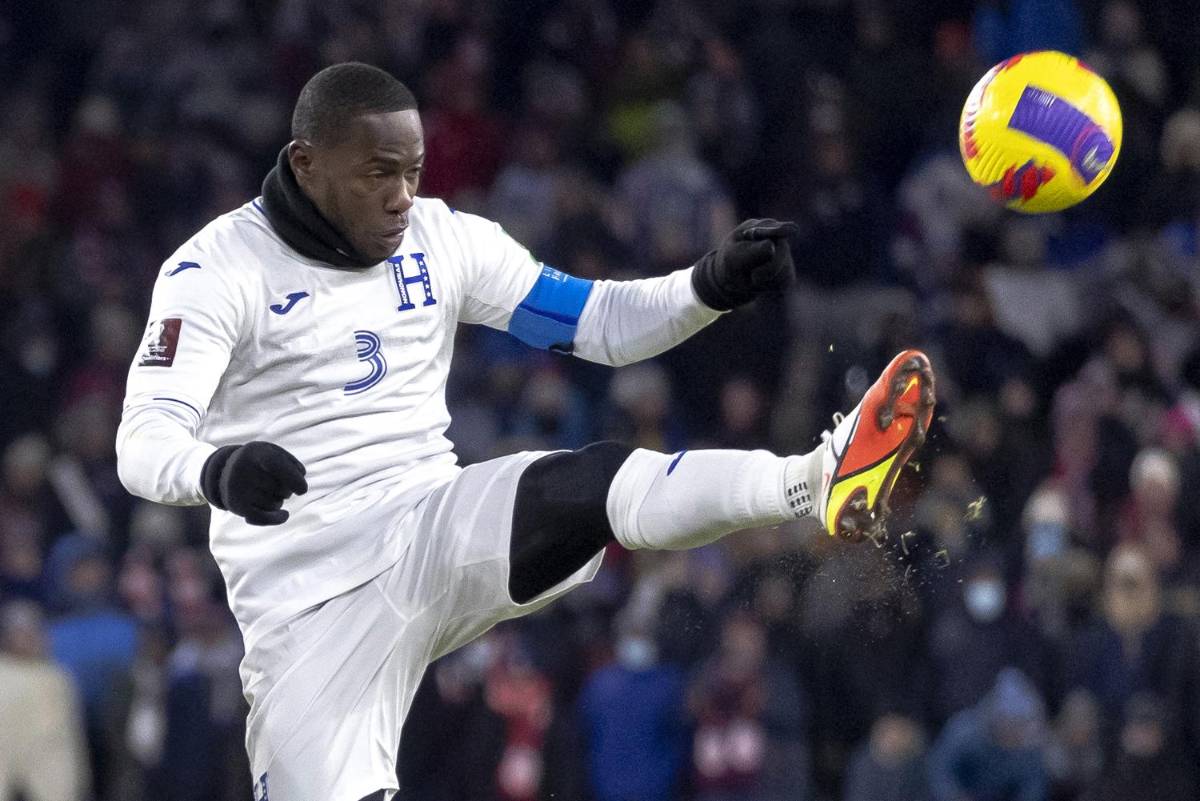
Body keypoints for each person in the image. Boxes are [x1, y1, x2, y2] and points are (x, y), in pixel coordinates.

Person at [116, 62, 935, 801]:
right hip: (307, 610)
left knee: (590, 483)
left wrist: (706, 287)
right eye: (378, 173)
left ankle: (813, 477)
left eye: (413, 170)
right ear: (305, 164)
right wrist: (216, 468)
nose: (403, 194)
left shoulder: (440, 239)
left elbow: (597, 321)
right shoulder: (216, 269)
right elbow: (143, 441)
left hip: (426, 525)